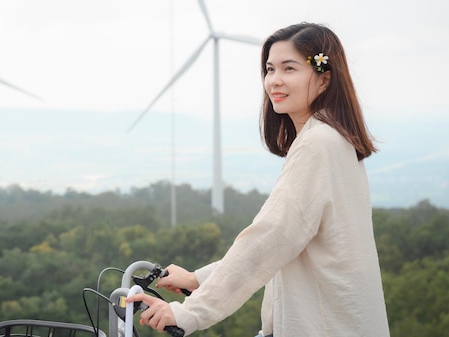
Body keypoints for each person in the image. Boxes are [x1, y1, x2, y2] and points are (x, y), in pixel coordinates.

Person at [126, 22, 391, 337]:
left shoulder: (318, 144)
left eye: (289, 68)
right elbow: (283, 243)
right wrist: (198, 279)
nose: (274, 81)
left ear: (324, 77)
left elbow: (269, 239)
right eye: (269, 69)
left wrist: (190, 314)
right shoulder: (332, 139)